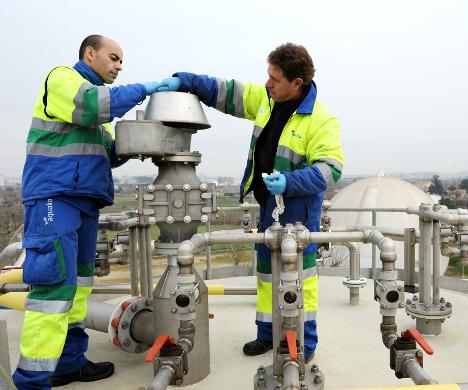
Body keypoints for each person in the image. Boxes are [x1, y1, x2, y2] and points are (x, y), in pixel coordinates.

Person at [12, 34, 177, 389]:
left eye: (122, 63)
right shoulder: (64, 81)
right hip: (54, 199)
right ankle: (32, 379)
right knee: (53, 290)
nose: (118, 66)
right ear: (90, 53)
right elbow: (92, 105)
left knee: (79, 289)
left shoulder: (97, 116)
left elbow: (107, 152)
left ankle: (68, 364)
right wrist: (146, 88)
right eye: (114, 58)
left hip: (84, 202)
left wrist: (139, 143)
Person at [162, 43, 344, 362]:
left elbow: (331, 170)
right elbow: (226, 92)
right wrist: (186, 80)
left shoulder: (321, 120)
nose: (267, 83)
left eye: (274, 78)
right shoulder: (266, 98)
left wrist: (290, 181)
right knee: (266, 277)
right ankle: (267, 335)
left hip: (299, 216)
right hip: (268, 211)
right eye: (267, 76)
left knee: (302, 282)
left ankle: (304, 342)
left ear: (296, 83)